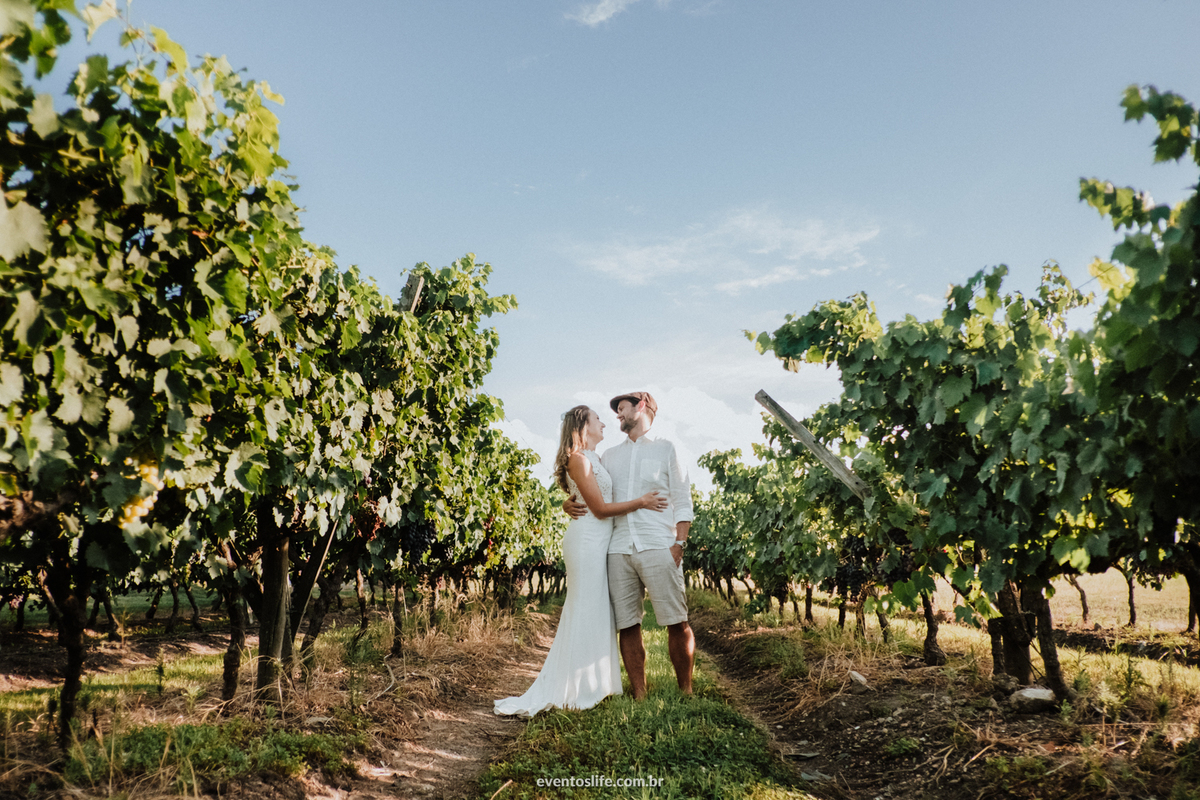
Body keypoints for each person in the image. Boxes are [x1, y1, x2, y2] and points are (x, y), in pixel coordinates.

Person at [494, 405, 667, 718]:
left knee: (597, 609)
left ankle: (596, 685)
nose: (603, 423)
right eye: (598, 419)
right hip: (587, 541)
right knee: (586, 608)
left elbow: (587, 495)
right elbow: (600, 509)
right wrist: (642, 502)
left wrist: (567, 501)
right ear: (583, 426)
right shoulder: (578, 459)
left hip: (599, 541)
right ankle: (578, 687)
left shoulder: (595, 458)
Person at [563, 392, 694, 699]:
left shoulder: (668, 448)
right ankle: (639, 692)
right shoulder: (608, 456)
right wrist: (566, 504)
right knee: (628, 624)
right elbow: (592, 493)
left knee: (676, 620)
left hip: (658, 544)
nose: (617, 415)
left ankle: (686, 690)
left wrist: (680, 543)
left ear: (642, 407)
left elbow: (683, 499)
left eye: (622, 408)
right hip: (618, 548)